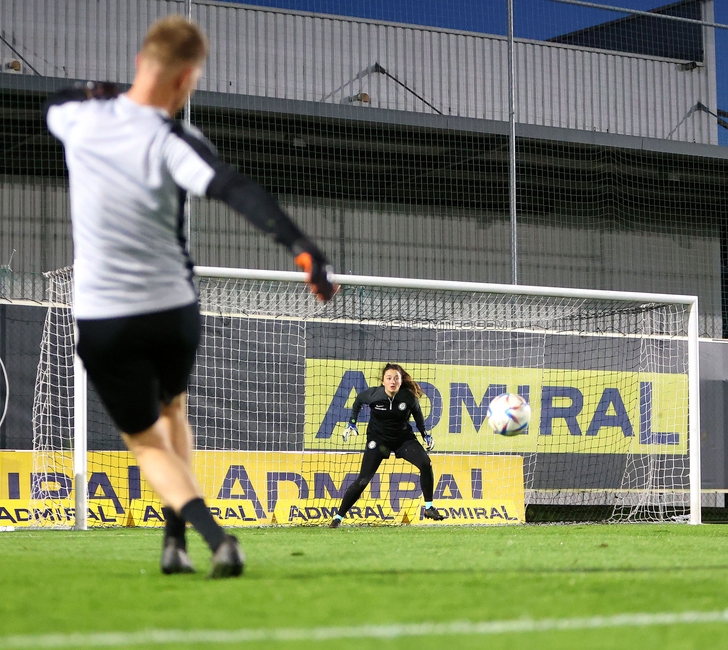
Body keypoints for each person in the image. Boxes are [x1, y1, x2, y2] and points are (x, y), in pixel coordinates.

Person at [44, 15, 337, 578]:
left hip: (105, 318)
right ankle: (173, 545)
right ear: (187, 80)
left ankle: (214, 538)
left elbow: (51, 101)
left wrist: (96, 90)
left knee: (147, 443)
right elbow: (234, 188)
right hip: (173, 312)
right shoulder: (175, 139)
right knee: (174, 409)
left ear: (139, 63)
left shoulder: (80, 118)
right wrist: (303, 249)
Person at [330, 363, 446, 527]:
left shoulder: (408, 397)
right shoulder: (373, 395)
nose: (393, 381)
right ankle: (338, 517)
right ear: (383, 381)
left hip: (403, 440)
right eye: (389, 378)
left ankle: (429, 508)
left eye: (396, 378)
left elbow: (418, 416)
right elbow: (357, 401)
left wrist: (425, 435)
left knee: (425, 463)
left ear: (400, 381)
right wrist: (352, 423)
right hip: (379, 441)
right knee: (363, 480)